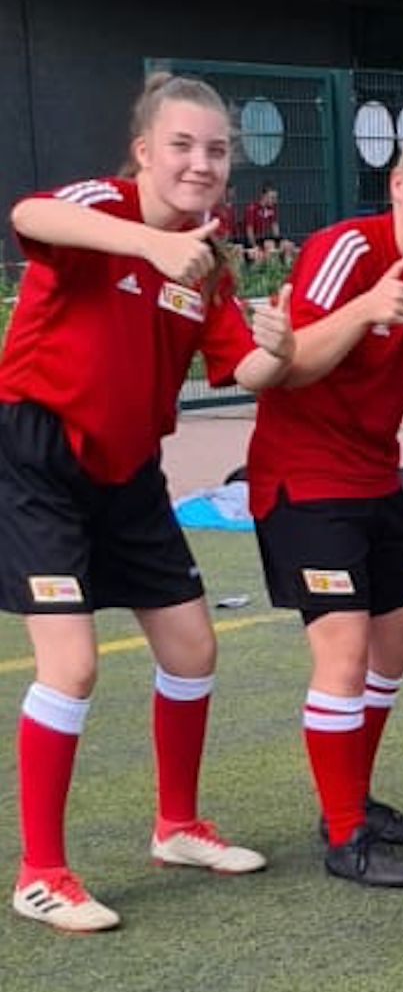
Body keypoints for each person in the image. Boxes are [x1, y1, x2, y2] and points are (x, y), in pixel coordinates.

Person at [1, 73, 294, 931]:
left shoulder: (207, 266)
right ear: (143, 153)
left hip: (130, 475)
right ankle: (41, 872)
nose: (199, 163)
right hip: (40, 460)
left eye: (214, 150)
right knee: (73, 665)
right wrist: (145, 244)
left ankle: (177, 827)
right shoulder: (106, 206)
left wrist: (279, 346)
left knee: (194, 650)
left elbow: (245, 370)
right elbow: (29, 216)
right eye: (182, 145)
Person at [246, 104, 403, 888]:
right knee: (345, 648)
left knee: (400, 635)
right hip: (302, 477)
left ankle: (350, 798)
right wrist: (364, 309)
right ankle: (345, 835)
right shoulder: (346, 249)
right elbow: (284, 367)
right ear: (397, 187)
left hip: (374, 477)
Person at [243, 182, 295, 266]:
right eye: (272, 198)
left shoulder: (272, 209)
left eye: (275, 198)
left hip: (268, 238)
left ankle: (287, 269)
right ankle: (272, 271)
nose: (275, 201)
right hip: (258, 239)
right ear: (264, 196)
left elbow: (275, 228)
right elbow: (249, 230)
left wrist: (279, 241)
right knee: (269, 246)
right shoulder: (252, 208)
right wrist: (254, 245)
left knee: (289, 245)